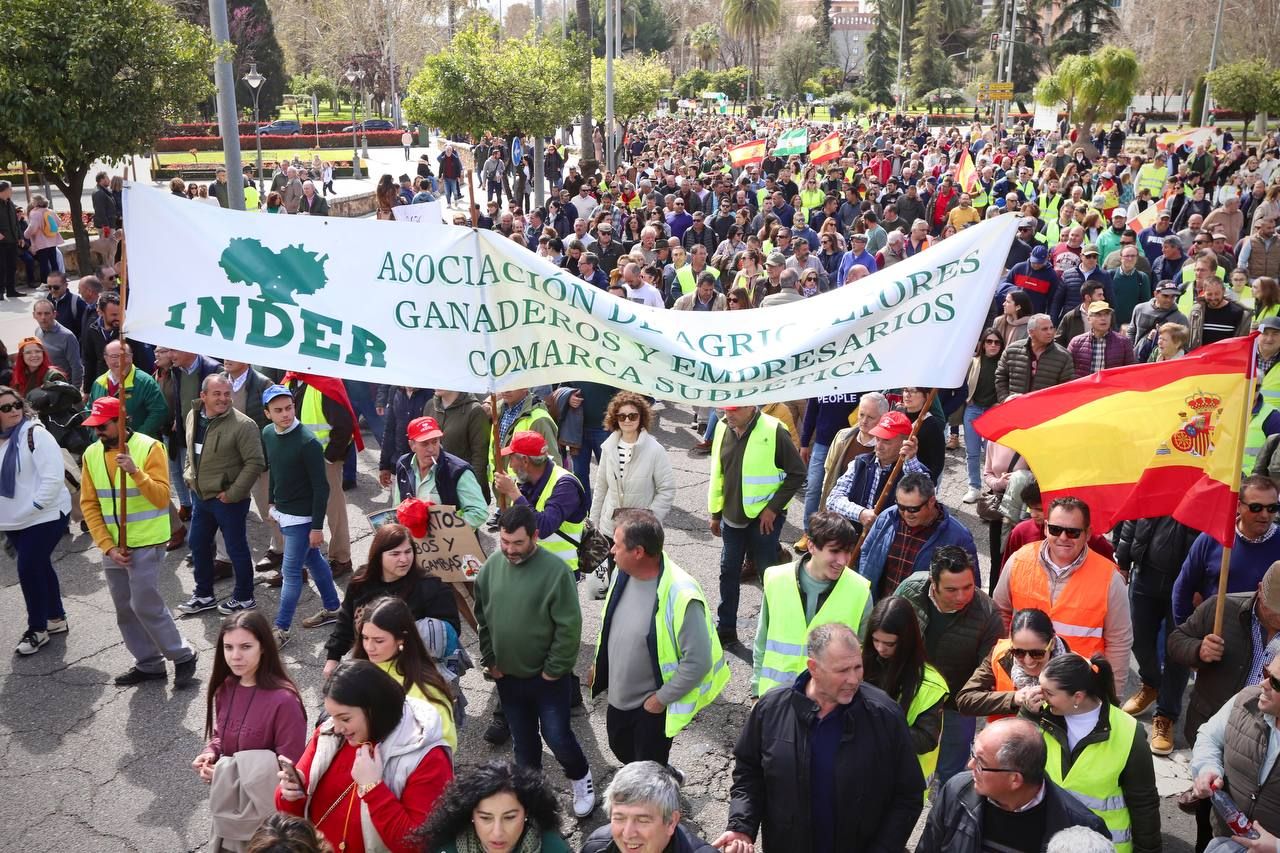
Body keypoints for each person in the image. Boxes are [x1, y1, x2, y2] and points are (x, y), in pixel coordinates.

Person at [714, 623, 924, 853]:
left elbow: (908, 795)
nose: (853, 679)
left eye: (857, 667)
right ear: (813, 668)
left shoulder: (885, 715)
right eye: (843, 670)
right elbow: (749, 773)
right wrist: (741, 826)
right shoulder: (771, 709)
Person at [474, 505, 595, 817]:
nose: (509, 550)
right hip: (508, 679)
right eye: (504, 542)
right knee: (524, 744)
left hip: (547, 681)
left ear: (535, 537)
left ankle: (581, 778)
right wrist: (490, 660)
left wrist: (554, 671)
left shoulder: (556, 573)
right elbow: (482, 619)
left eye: (518, 543)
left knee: (557, 736)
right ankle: (531, 796)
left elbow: (569, 628)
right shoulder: (490, 569)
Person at [591, 509, 728, 767]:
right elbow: (611, 625)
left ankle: (661, 786)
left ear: (638, 552)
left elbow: (698, 662)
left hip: (649, 710)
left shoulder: (682, 595)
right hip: (618, 698)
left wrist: (660, 700)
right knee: (621, 749)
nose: (611, 551)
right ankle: (663, 774)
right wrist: (598, 665)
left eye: (617, 546)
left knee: (646, 770)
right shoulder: (623, 573)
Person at [79, 395, 198, 686]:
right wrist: (107, 546)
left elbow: (160, 498)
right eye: (94, 427)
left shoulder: (149, 447)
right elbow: (89, 505)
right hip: (114, 548)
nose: (98, 432)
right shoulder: (91, 454)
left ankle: (182, 655)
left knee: (145, 604)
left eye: (103, 426)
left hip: (146, 542)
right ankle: (148, 664)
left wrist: (135, 472)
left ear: (121, 421)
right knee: (124, 608)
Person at [275, 660, 453, 853]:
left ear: (375, 709)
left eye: (345, 718)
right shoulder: (329, 734)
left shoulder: (427, 758)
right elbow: (291, 814)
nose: (336, 727)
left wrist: (373, 788)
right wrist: (290, 794)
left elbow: (417, 845)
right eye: (332, 716)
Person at [1170, 564, 1280, 849]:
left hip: (1268, 740)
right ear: (1259, 592)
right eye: (1275, 611)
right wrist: (1198, 650)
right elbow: (1176, 640)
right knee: (1210, 822)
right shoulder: (1222, 607)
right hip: (1225, 733)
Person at [1022, 653, 1161, 853]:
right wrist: (1027, 714)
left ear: (1078, 696)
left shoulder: (1129, 732)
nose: (1040, 696)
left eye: (1048, 693)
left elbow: (1144, 803)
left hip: (1101, 846)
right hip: (1050, 844)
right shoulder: (1040, 715)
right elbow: (1015, 760)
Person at [995, 496, 1132, 696]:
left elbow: (1119, 642)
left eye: (1073, 532)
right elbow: (1000, 615)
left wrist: (1112, 698)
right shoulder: (1018, 561)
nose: (1063, 537)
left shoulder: (1110, 579)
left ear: (1088, 534)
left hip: (1077, 692)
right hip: (1021, 689)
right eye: (1056, 529)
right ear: (1046, 527)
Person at [194, 611, 307, 852]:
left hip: (267, 825)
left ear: (264, 647)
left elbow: (291, 770)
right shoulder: (225, 687)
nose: (235, 656)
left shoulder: (284, 701)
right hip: (230, 811)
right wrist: (211, 752)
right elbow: (220, 733)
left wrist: (225, 775)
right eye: (228, 647)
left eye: (245, 646)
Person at [895, 545, 1004, 785]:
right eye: (951, 589)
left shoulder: (987, 614)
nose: (962, 596)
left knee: (951, 775)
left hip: (954, 709)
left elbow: (987, 672)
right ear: (933, 583)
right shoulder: (910, 590)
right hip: (910, 696)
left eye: (968, 587)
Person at [916, 718, 1110, 853]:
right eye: (973, 753)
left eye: (981, 762)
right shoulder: (956, 791)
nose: (970, 765)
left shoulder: (1081, 828)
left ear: (1015, 779)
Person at [707, 404, 807, 647]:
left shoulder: (774, 430)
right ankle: (727, 629)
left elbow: (797, 473)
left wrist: (772, 509)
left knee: (769, 575)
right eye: (726, 409)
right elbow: (719, 472)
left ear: (752, 407)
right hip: (732, 517)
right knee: (728, 571)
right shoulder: (722, 427)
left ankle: (775, 630)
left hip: (764, 520)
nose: (729, 414)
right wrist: (715, 513)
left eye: (735, 410)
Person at [753, 511, 871, 697]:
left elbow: (865, 656)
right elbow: (762, 641)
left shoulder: (860, 591)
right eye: (834, 551)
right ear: (811, 546)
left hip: (828, 706)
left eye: (847, 551)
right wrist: (755, 693)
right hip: (775, 699)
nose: (843, 560)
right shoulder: (776, 579)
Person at [178, 374, 267, 616]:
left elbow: (255, 462)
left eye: (227, 394)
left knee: (236, 548)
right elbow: (191, 451)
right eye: (217, 394)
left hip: (228, 501)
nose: (223, 399)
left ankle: (245, 597)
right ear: (203, 396)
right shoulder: (193, 415)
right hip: (201, 497)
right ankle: (204, 594)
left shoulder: (244, 425)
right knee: (197, 542)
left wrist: (233, 493)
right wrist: (189, 475)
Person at [260, 384, 343, 646]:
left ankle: (280, 629)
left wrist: (317, 527)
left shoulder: (307, 442)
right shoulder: (268, 434)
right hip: (284, 513)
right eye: (278, 410)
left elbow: (322, 487)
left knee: (291, 573)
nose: (285, 414)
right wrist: (272, 504)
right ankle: (333, 608)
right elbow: (275, 469)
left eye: (289, 408)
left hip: (302, 520)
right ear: (267, 414)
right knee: (315, 562)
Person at [0, 386, 71, 655]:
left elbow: (53, 478)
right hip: (11, 519)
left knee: (28, 568)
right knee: (38, 564)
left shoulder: (35, 434)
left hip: (45, 514)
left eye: (16, 405)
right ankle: (56, 618)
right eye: (5, 408)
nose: (14, 411)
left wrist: (35, 506)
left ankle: (37, 629)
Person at [1189, 656, 1280, 853]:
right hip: (1223, 841)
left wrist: (1277, 847)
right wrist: (1207, 768)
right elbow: (1209, 737)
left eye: (1276, 682)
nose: (1263, 684)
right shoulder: (1246, 700)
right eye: (1266, 672)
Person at [351, 596, 457, 752]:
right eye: (365, 638)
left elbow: (445, 744)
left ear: (401, 638)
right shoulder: (356, 671)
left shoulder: (425, 688)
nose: (369, 647)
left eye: (378, 641)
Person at [863, 597, 948, 787]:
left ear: (906, 640)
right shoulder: (859, 663)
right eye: (875, 640)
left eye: (889, 644)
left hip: (901, 783)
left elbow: (927, 739)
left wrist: (878, 725)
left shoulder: (931, 685)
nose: (880, 648)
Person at [1173, 475, 1280, 627]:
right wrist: (1187, 634)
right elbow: (1183, 589)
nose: (1265, 515)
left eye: (1272, 508)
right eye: (1256, 507)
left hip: (1267, 640)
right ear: (1238, 506)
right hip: (1217, 636)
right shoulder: (1212, 538)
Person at [589, 393, 675, 580]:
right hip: (609, 529)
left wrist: (650, 518)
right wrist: (593, 522)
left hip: (639, 534)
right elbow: (601, 486)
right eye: (622, 416)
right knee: (611, 584)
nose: (627, 420)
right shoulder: (608, 447)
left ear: (641, 417)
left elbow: (666, 489)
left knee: (637, 584)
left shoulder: (655, 450)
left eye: (632, 416)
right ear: (615, 418)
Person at [859, 472, 979, 600]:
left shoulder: (959, 537)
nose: (906, 514)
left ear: (931, 501)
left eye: (913, 509)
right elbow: (866, 552)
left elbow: (971, 587)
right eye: (901, 506)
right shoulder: (887, 517)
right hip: (880, 610)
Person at [289, 372, 363, 576]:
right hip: (298, 458)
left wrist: (329, 458)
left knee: (334, 510)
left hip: (324, 460)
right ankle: (299, 559)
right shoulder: (290, 380)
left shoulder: (326, 384)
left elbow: (344, 426)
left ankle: (341, 558)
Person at [417, 760, 570, 853]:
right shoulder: (447, 850)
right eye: (485, 818)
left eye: (509, 817)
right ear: (471, 815)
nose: (497, 833)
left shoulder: (553, 849)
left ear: (526, 813)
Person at [492, 430, 588, 575]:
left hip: (559, 573)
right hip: (529, 567)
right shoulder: (524, 481)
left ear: (525, 460)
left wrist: (513, 492)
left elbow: (544, 528)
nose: (510, 466)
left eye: (511, 458)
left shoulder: (565, 485)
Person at [957, 608, 1070, 722]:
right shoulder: (1001, 655)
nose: (1028, 661)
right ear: (1011, 644)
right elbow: (965, 700)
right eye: (1018, 652)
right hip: (1004, 737)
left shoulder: (1075, 669)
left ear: (1052, 644)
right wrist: (1013, 698)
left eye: (1037, 653)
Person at [581, 761, 716, 853]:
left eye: (642, 820)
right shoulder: (596, 847)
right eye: (619, 818)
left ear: (671, 821)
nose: (628, 834)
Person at [390, 416, 488, 531]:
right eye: (424, 444)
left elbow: (479, 512)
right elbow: (397, 506)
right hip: (415, 543)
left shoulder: (458, 471)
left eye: (435, 441)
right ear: (412, 445)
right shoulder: (403, 464)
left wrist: (442, 527)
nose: (431, 449)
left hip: (451, 544)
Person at [86, 339, 165, 441]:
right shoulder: (98, 383)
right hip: (104, 446)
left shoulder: (145, 382)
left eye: (125, 355)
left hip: (137, 448)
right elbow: (89, 411)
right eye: (114, 356)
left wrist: (135, 438)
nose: (120, 361)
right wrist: (96, 436)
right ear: (105, 359)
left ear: (131, 357)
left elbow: (159, 412)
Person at [995, 314, 1076, 401]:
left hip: (1044, 411)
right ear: (1031, 332)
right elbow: (1001, 377)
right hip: (1013, 407)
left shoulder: (1064, 356)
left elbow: (1066, 387)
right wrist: (1004, 399)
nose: (1050, 332)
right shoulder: (1012, 350)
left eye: (1051, 328)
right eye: (1044, 329)